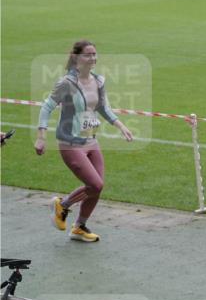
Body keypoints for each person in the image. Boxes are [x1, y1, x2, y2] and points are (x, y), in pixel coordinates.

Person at [34, 40, 133, 242]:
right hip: (70, 143)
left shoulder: (99, 81)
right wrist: (41, 137)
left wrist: (120, 125)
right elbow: (46, 107)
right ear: (76, 57)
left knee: (96, 189)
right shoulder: (67, 83)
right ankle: (63, 205)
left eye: (95, 54)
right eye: (88, 54)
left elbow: (102, 107)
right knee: (95, 185)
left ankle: (79, 227)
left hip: (91, 140)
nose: (93, 58)